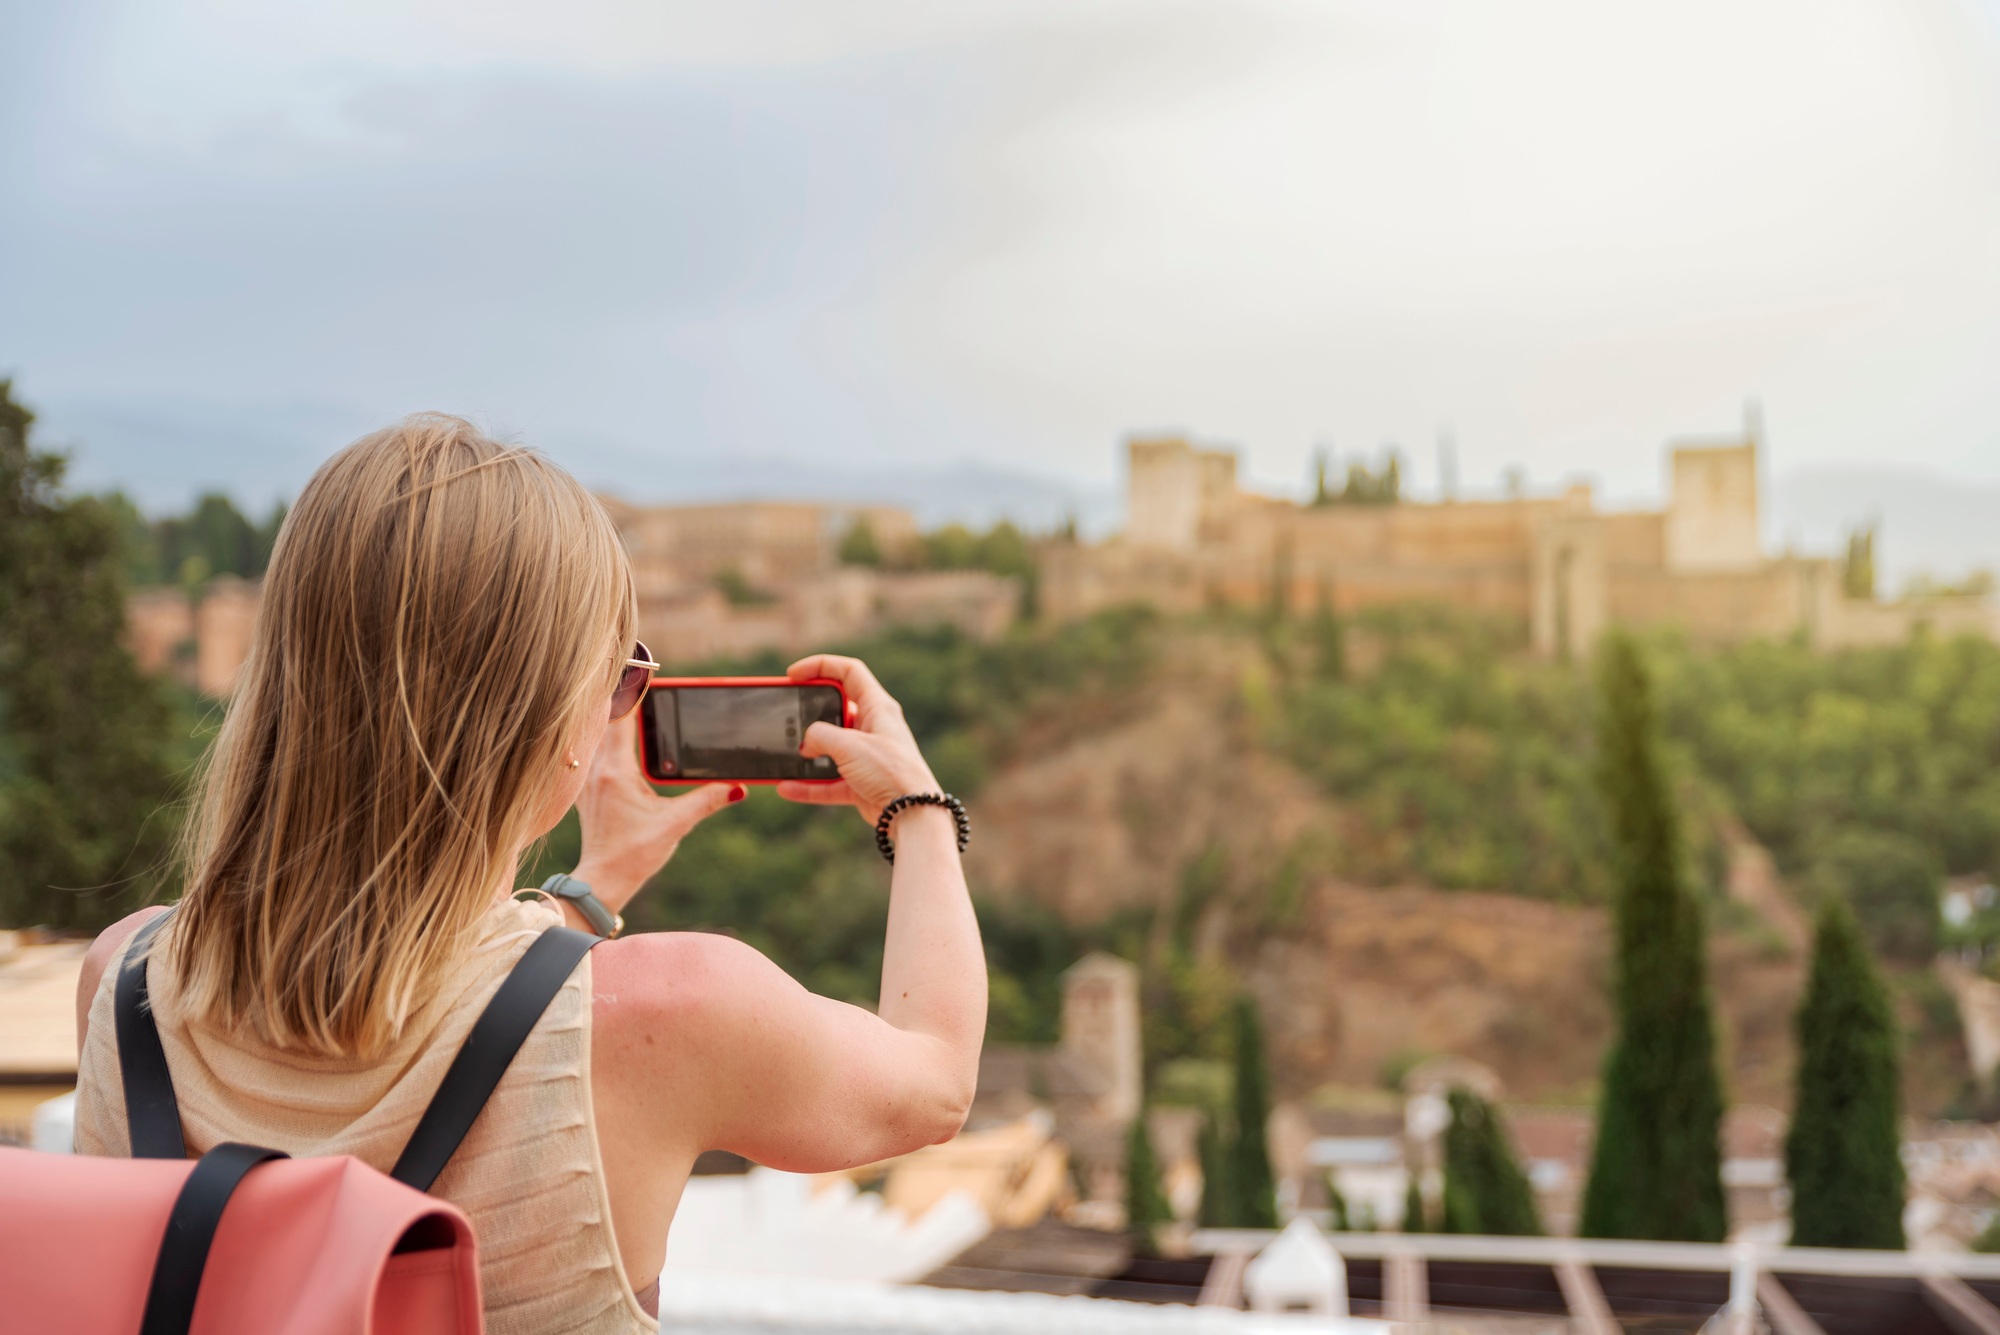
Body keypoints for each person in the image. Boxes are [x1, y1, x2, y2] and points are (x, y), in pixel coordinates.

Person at [69, 416, 987, 1334]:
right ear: (552, 722)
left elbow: (410, 998)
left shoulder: (122, 980)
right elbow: (935, 1082)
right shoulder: (675, 1011)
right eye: (621, 679)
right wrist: (920, 815)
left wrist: (593, 887)